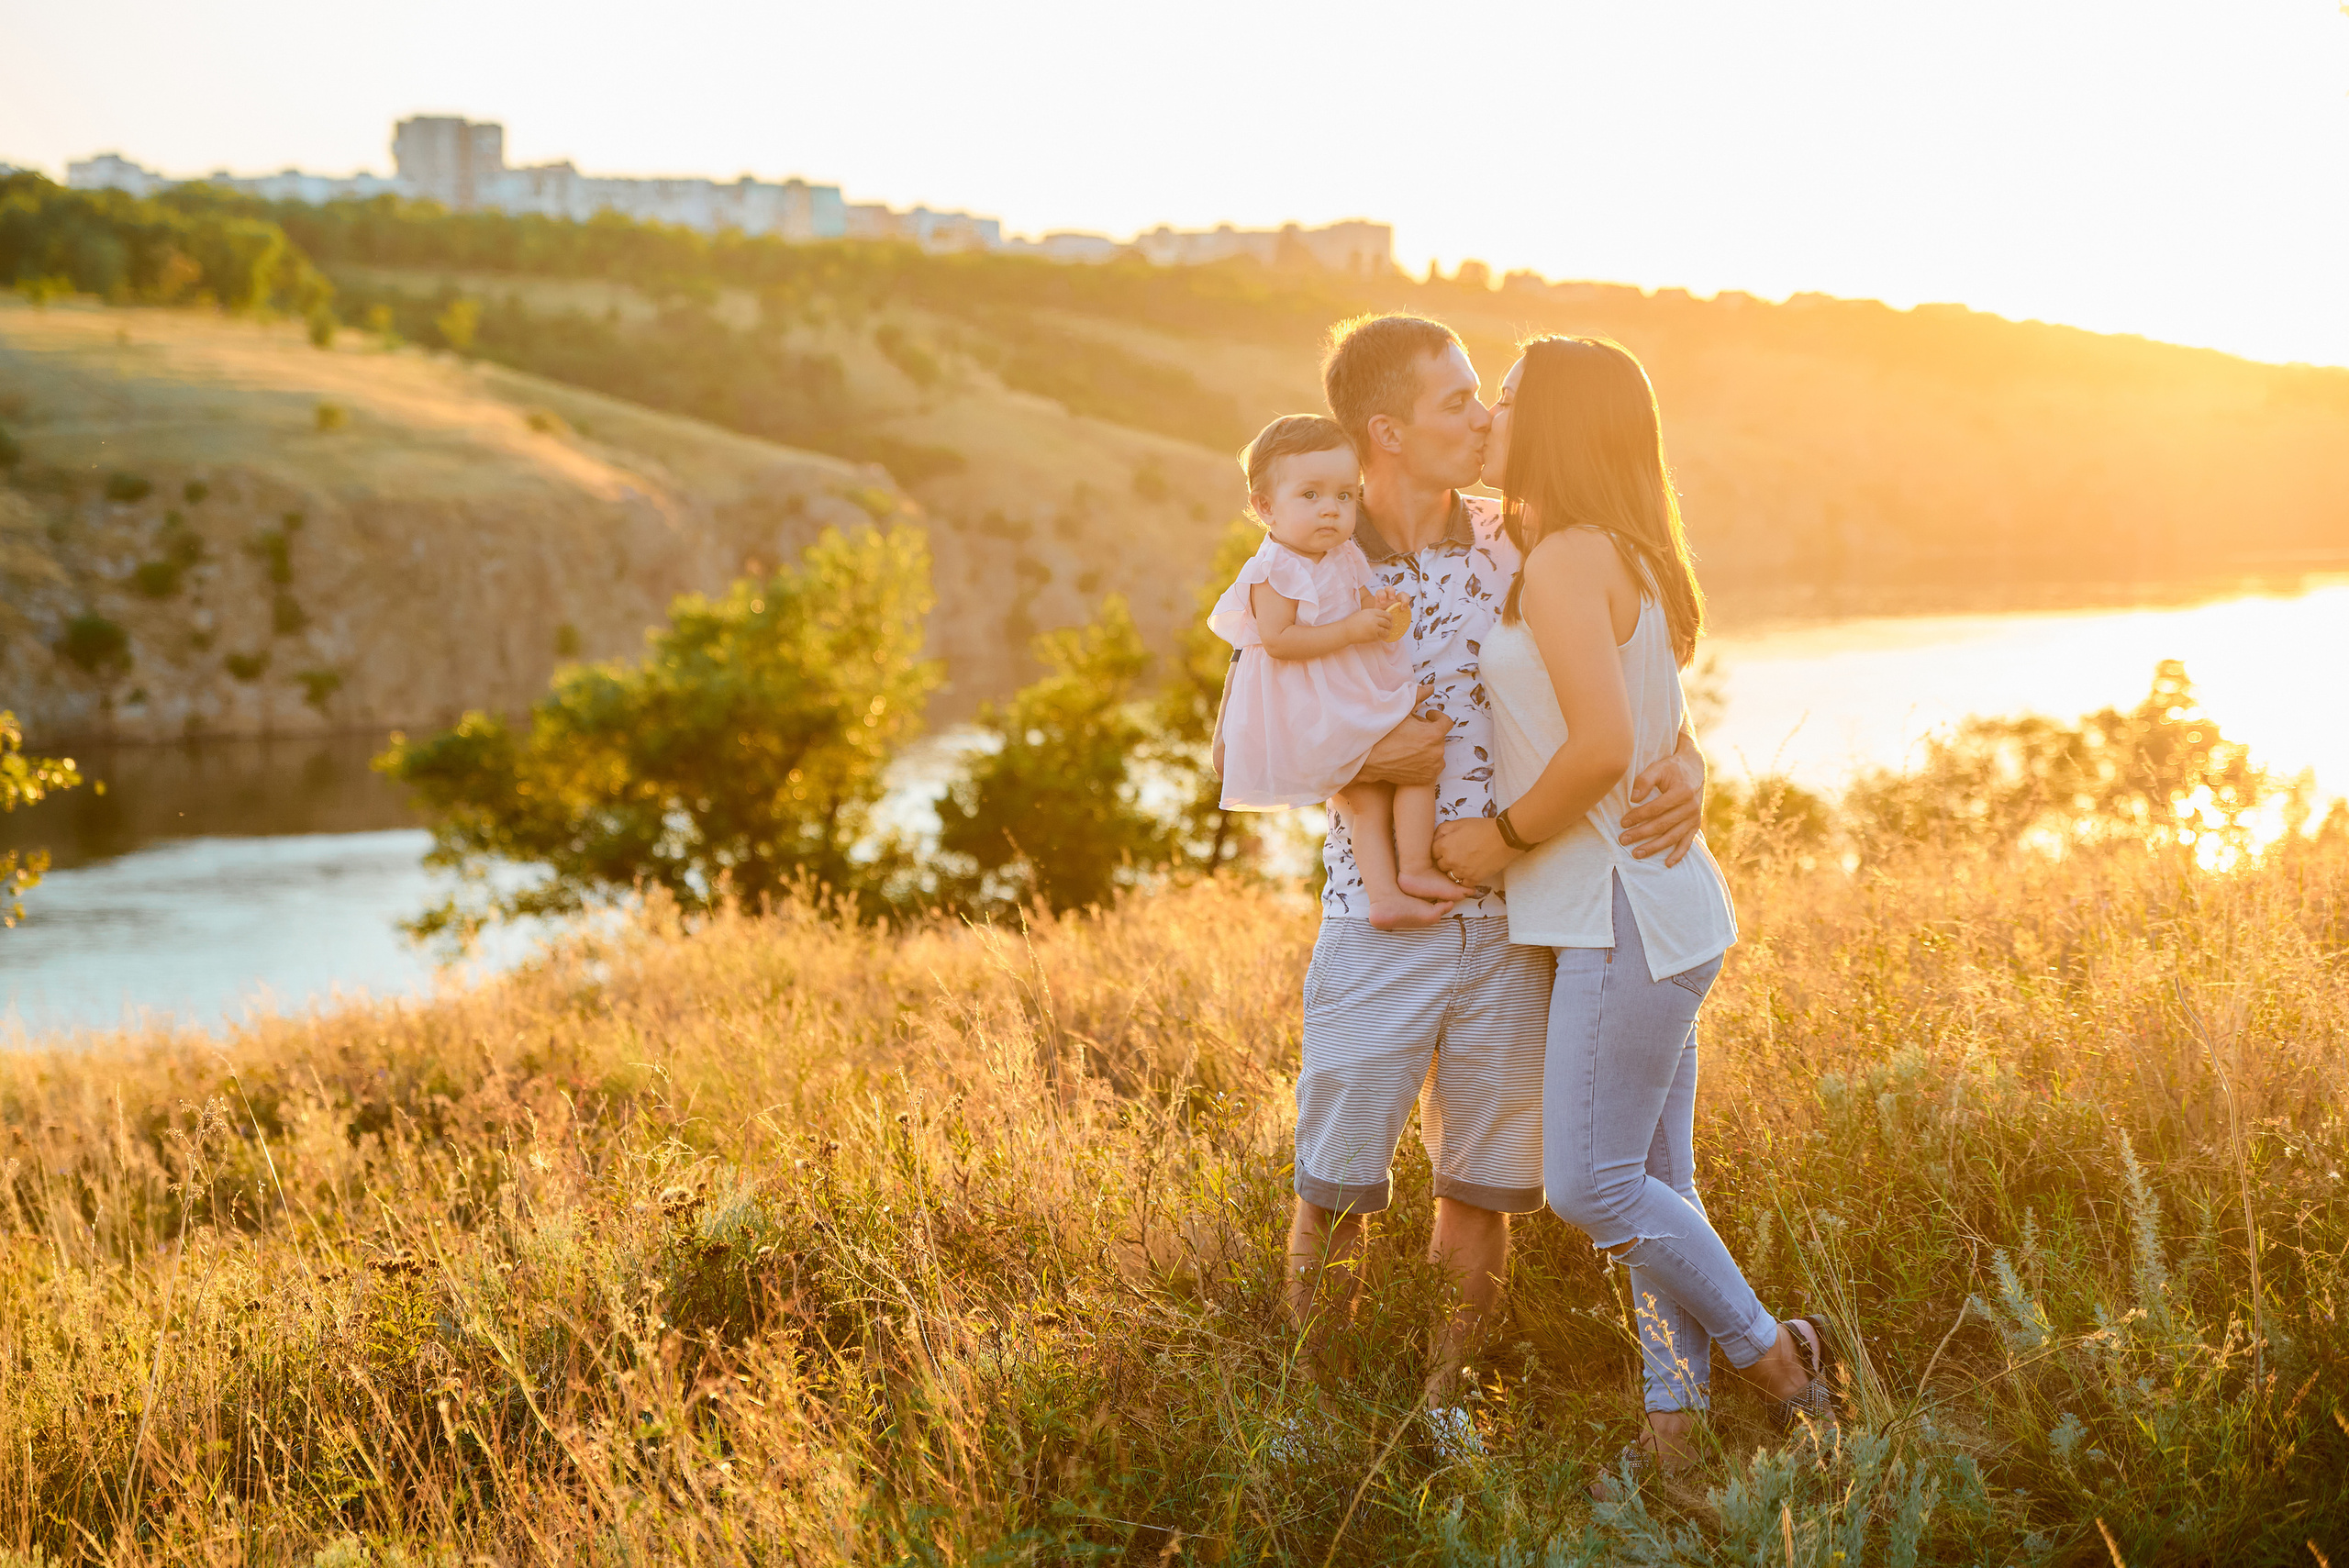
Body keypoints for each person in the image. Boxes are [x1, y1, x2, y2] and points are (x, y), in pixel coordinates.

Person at [1219, 315, 1708, 1455]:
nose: (1486, 416)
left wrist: (1688, 763)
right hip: (1375, 911)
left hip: (1525, 913)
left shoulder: (1516, 541)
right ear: (1386, 430)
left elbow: (1636, 678)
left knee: (1481, 1184)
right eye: (1458, 400)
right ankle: (1309, 1410)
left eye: (1484, 393)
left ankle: (1443, 1406)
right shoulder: (1313, 555)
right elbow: (1258, 731)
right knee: (1336, 1177)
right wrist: (1364, 760)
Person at [1434, 336, 1841, 1489]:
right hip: (1643, 905)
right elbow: (1658, 726)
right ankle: (1672, 1438)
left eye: (1508, 396)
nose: (1491, 414)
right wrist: (1690, 762)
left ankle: (1783, 1364)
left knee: (1592, 1184)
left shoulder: (1568, 556)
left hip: (1622, 909)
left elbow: (1607, 744)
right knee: (1657, 1181)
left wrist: (1498, 836)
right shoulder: (1609, 546)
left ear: (1558, 421)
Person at [1210, 414, 1474, 929]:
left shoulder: (1343, 553)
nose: (1330, 508)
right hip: (1308, 700)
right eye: (1310, 495)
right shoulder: (1272, 570)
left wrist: (1383, 610)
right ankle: (1388, 891)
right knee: (1369, 796)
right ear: (1266, 507)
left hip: (1348, 685)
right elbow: (1279, 641)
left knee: (1411, 765)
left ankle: (1411, 871)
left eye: (1345, 495)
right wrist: (1354, 629)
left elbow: (1359, 606)